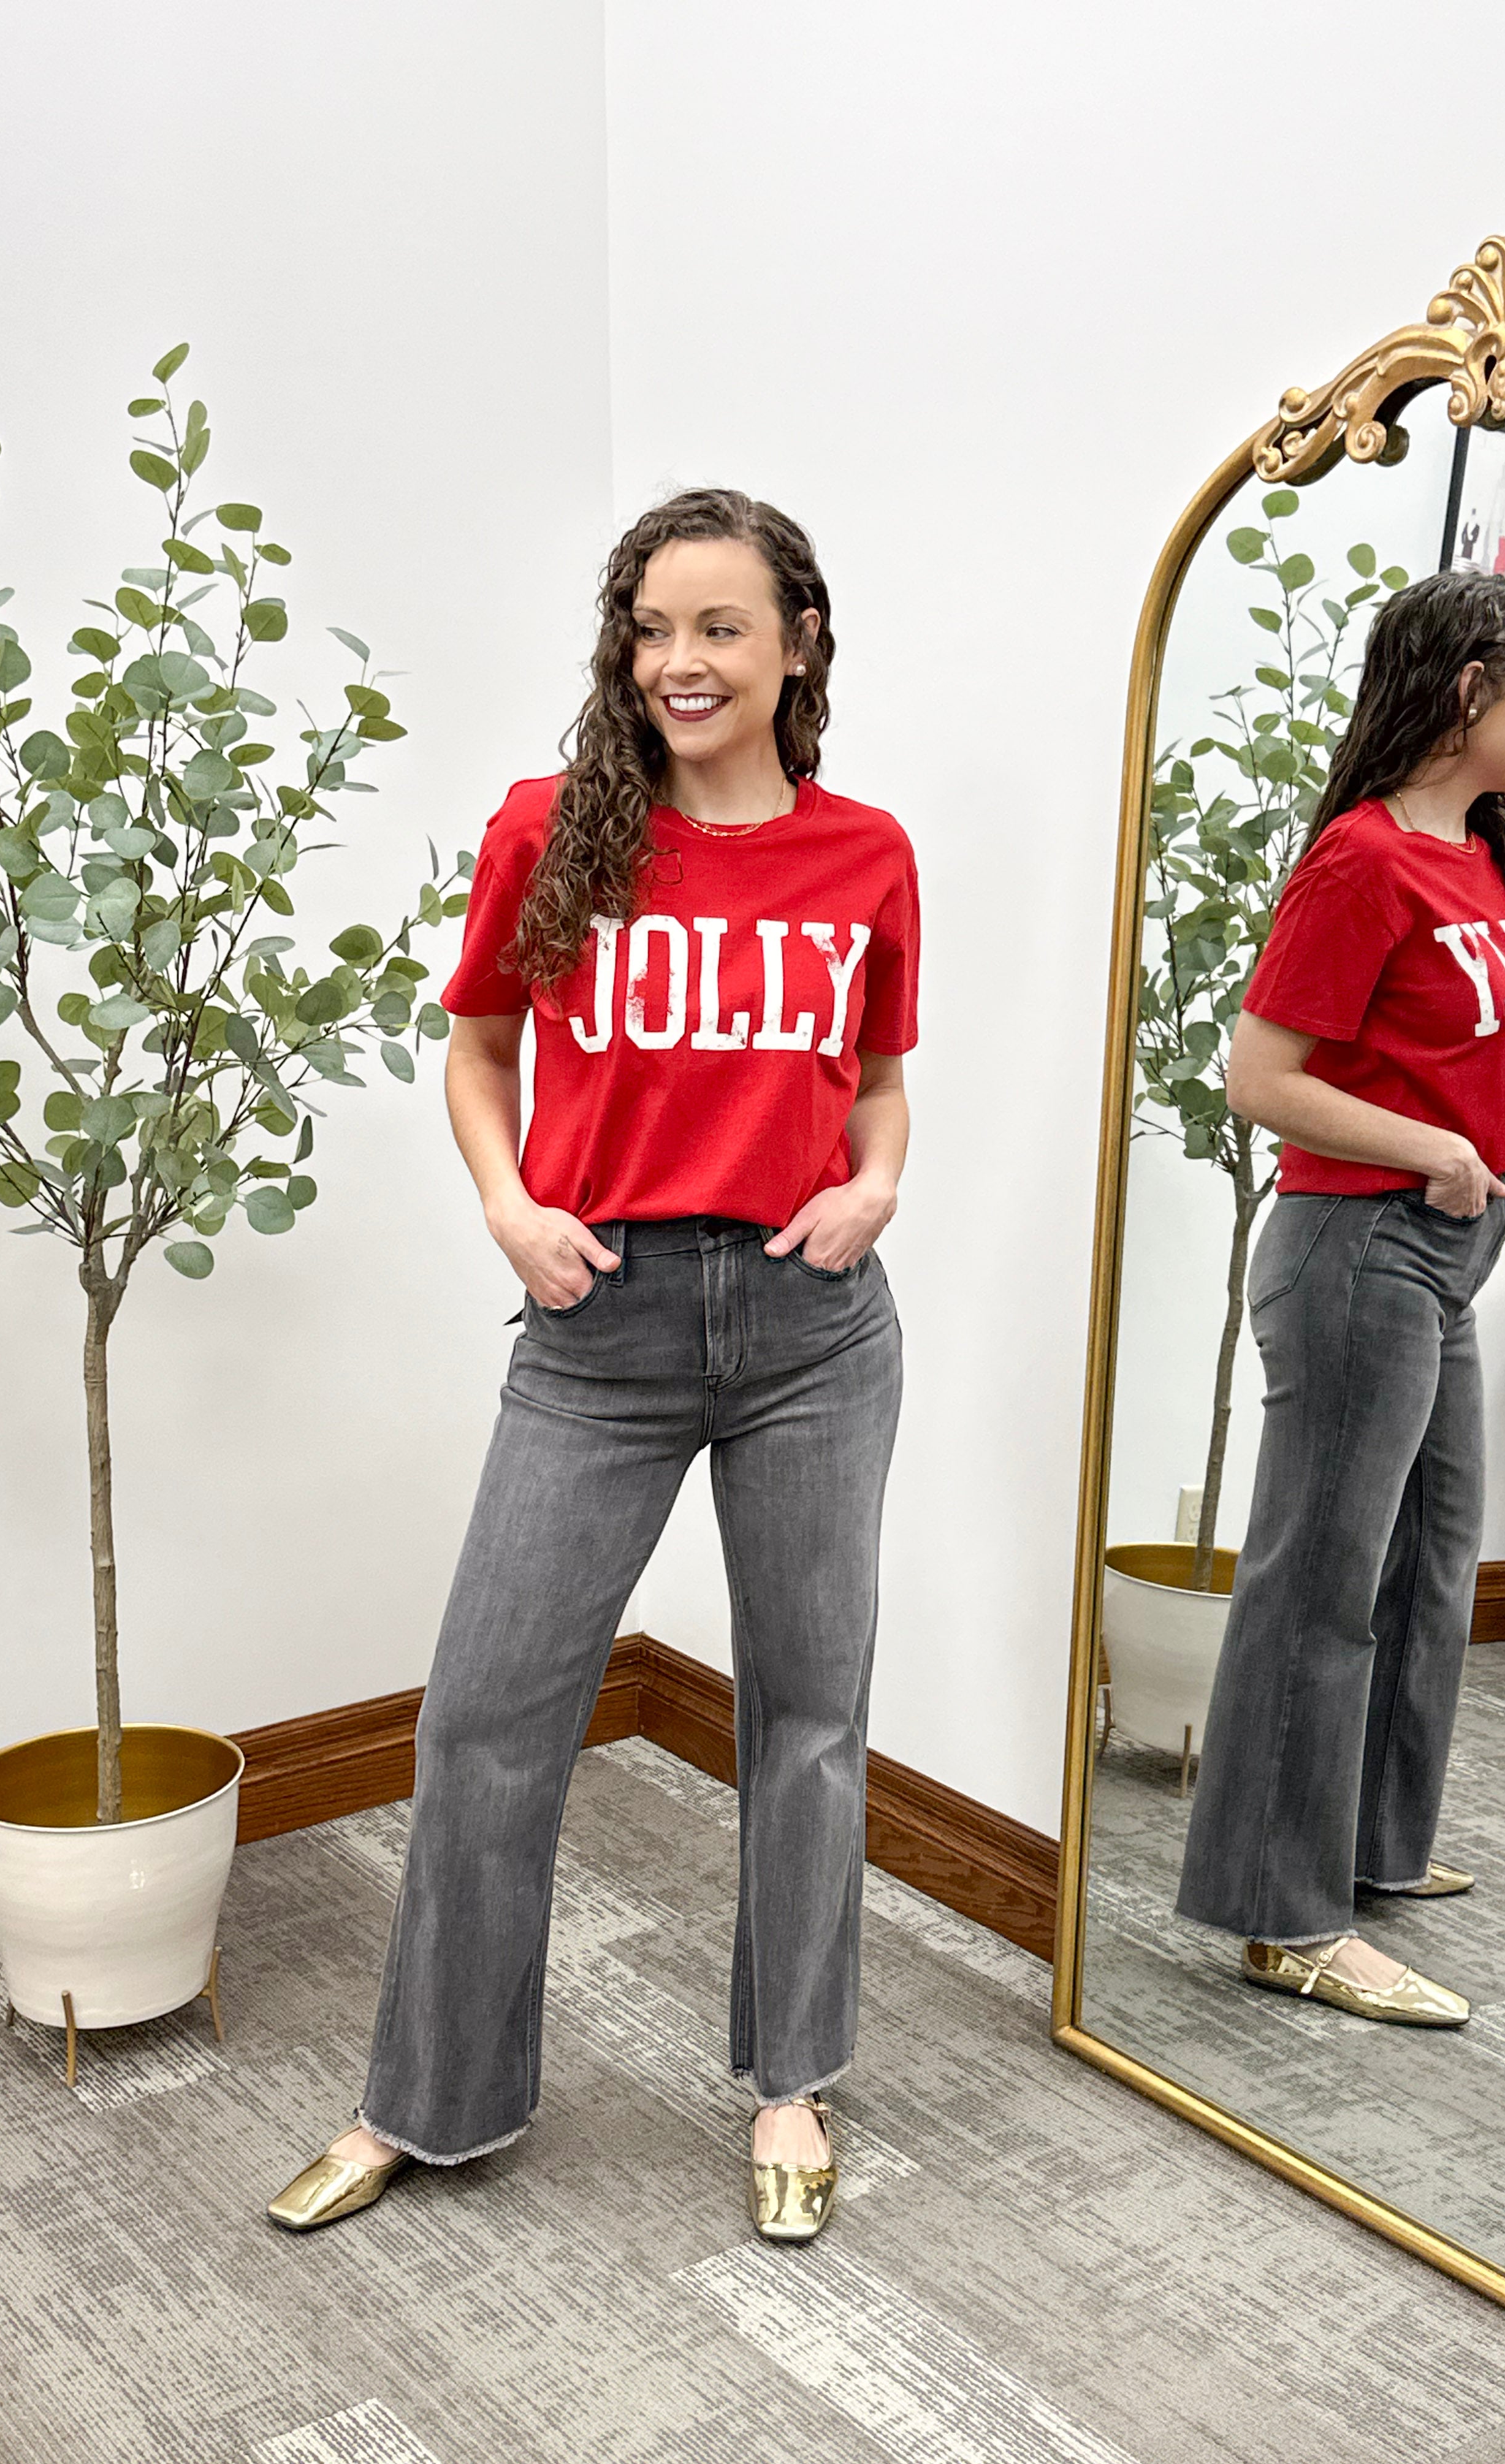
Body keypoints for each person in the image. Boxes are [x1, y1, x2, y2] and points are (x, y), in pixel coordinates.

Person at [267, 489, 918, 2239]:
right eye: (651, 630)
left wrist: (876, 1186)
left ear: (797, 643)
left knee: (809, 1718)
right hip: (599, 1325)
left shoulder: (866, 856)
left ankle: (793, 2082)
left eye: (719, 628)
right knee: (488, 1719)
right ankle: (428, 2098)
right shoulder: (553, 831)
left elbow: (870, 1085)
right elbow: (480, 1057)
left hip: (810, 1330)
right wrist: (508, 1207)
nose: (680, 663)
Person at [1175, 568, 1505, 2025]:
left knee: (1430, 1560)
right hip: (1361, 1252)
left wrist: (1475, 1168)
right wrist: (1445, 1152)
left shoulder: (1475, 853)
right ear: (1470, 689)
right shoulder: (1360, 863)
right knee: (1321, 1585)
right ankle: (1280, 1917)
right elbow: (1261, 1079)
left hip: (1448, 1250)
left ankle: (1369, 1848)